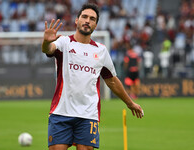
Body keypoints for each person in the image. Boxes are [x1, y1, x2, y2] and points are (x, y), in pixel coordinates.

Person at [42, 3, 144, 150]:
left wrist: (130, 103)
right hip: (61, 112)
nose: (87, 21)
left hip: (88, 115)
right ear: (77, 20)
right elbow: (48, 49)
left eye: (92, 18)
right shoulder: (64, 42)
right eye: (84, 17)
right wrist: (46, 42)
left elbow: (112, 81)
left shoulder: (101, 51)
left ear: (96, 24)